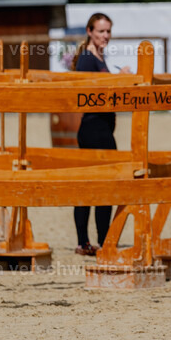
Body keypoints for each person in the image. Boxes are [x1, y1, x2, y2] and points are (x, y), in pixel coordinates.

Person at [70, 13, 131, 255]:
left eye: (108, 31)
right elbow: (92, 92)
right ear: (89, 31)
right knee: (101, 186)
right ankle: (98, 240)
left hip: (100, 127)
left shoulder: (97, 56)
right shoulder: (87, 58)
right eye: (100, 31)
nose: (105, 36)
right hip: (95, 128)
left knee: (95, 185)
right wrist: (119, 79)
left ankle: (92, 240)